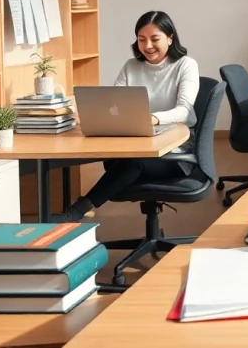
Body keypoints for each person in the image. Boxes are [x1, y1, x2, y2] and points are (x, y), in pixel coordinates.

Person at [50, 11, 200, 223]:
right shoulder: (132, 66)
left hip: (174, 152)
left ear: (170, 38)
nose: (147, 45)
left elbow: (184, 110)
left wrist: (153, 119)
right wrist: (93, 114)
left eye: (155, 39)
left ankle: (77, 210)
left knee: (134, 164)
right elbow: (114, 103)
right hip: (134, 143)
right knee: (123, 160)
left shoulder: (185, 65)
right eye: (141, 39)